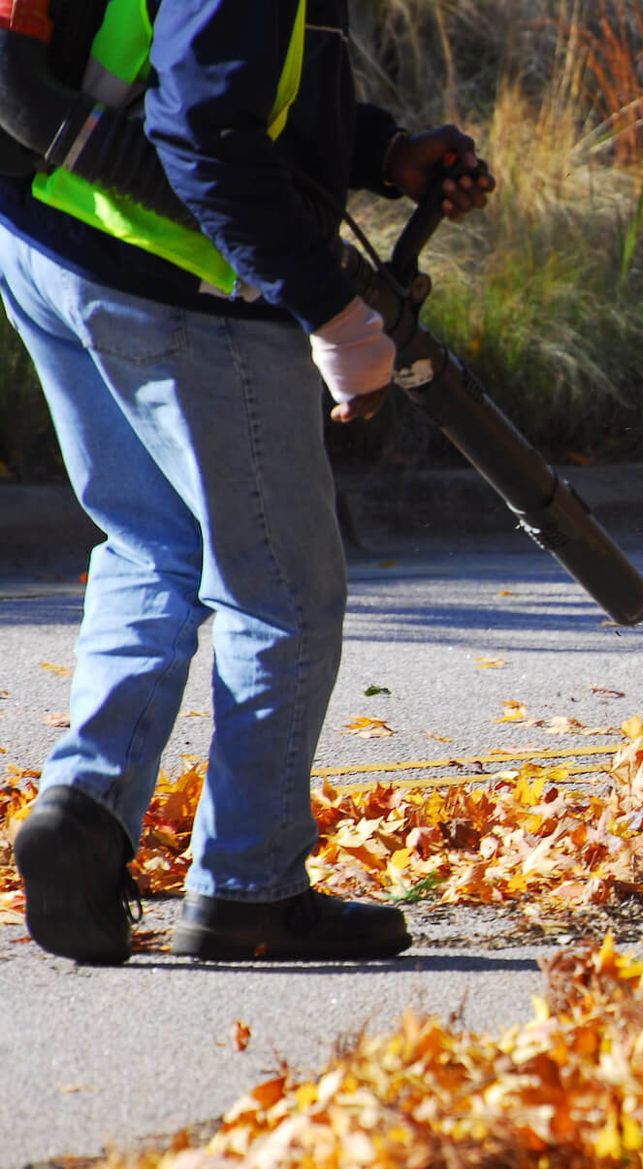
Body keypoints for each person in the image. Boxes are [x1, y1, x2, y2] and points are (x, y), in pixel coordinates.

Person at [0, 0, 493, 964]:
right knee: (284, 590)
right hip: (170, 279)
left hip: (49, 241)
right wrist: (333, 314)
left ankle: (85, 811)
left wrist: (381, 148)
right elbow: (202, 131)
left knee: (154, 544)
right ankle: (249, 889)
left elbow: (218, 77)